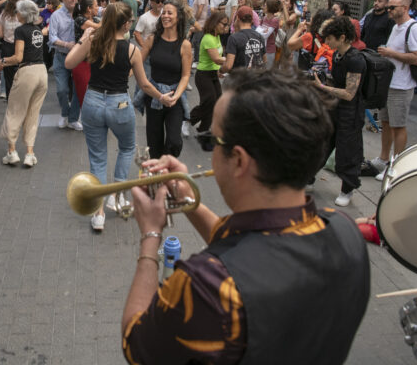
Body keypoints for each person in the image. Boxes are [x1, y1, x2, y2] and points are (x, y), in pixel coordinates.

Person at [121, 68, 370, 364]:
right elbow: (252, 251)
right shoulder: (344, 230)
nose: (210, 152)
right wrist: (186, 198)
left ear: (238, 160)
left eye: (212, 141)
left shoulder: (210, 286)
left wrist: (150, 235)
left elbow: (136, 342)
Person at [65, 3, 169, 231]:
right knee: (127, 147)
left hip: (92, 102)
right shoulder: (132, 50)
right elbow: (143, 84)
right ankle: (117, 194)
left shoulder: (94, 41)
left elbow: (69, 62)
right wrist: (162, 97)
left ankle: (98, 213)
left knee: (98, 157)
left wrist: (84, 37)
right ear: (126, 24)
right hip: (119, 103)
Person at [369, 0, 417, 178]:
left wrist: (391, 53)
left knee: (398, 125)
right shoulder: (396, 27)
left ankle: (396, 163)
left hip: (402, 85)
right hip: (390, 82)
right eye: (389, 8)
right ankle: (384, 158)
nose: (389, 11)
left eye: (392, 7)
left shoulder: (414, 28)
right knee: (385, 122)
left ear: (405, 7)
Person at [312, 16, 367, 207]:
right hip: (335, 108)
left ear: (342, 37)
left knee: (347, 152)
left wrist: (324, 88)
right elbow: (336, 82)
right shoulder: (337, 55)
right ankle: (308, 177)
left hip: (350, 113)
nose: (326, 42)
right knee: (322, 143)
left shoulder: (355, 59)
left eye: (329, 38)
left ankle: (347, 189)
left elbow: (349, 93)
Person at [0, 0, 49, 167]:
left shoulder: (20, 30)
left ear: (22, 14)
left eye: (17, 12)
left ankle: (12, 151)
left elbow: (18, 57)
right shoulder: (37, 30)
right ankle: (29, 153)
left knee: (15, 111)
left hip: (27, 72)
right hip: (42, 72)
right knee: (33, 114)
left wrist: (3, 61)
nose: (16, 14)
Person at [140, 0, 192, 158]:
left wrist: (175, 97)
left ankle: (167, 168)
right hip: (154, 97)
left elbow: (185, 76)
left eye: (170, 13)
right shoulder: (152, 40)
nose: (165, 16)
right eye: (164, 13)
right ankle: (157, 177)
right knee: (154, 144)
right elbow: (136, 63)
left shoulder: (184, 45)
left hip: (174, 98)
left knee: (174, 142)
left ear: (178, 18)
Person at [48, 0, 83, 130]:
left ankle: (73, 118)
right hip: (61, 56)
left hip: (78, 57)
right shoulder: (56, 15)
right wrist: (66, 44)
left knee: (78, 90)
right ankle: (64, 113)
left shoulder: (81, 13)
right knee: (62, 89)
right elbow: (52, 37)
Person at [189, 11, 227, 133]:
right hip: (203, 75)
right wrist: (232, 60)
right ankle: (188, 120)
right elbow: (216, 58)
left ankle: (203, 129)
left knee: (216, 102)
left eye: (227, 25)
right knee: (209, 101)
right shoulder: (208, 38)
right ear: (215, 23)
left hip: (213, 74)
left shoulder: (217, 37)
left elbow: (217, 61)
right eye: (224, 24)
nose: (225, 27)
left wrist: (218, 71)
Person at [0, 0, 28, 98]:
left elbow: (0, 35)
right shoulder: (25, 15)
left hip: (8, 47)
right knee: (24, 77)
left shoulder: (3, 14)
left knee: (9, 78)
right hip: (23, 48)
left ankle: (11, 100)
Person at [222, 6, 266, 72]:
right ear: (251, 20)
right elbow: (264, 60)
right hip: (256, 78)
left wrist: (220, 70)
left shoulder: (233, 38)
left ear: (237, 18)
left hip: (240, 79)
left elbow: (228, 66)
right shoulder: (259, 36)